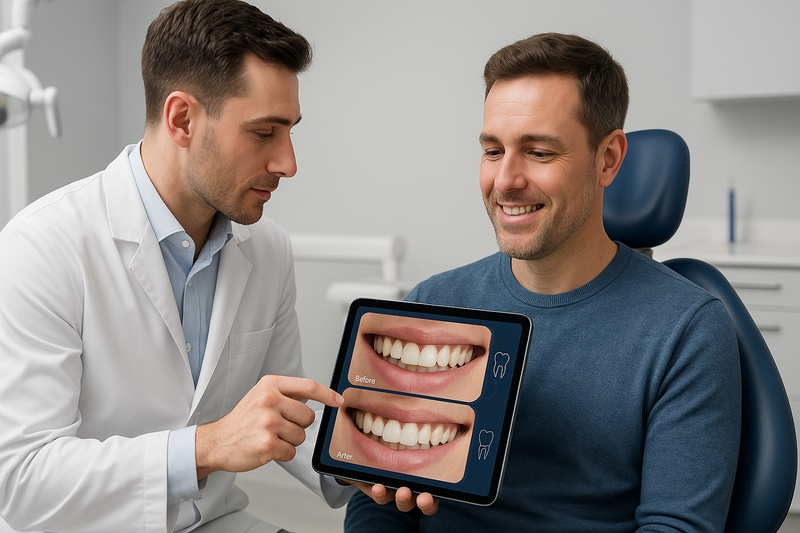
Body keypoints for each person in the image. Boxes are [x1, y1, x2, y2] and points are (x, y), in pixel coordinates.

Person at [344, 33, 742, 532]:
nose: (505, 180)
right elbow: (377, 502)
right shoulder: (432, 303)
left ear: (608, 158)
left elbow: (675, 526)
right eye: (493, 150)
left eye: (538, 152)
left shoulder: (686, 330)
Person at [0, 1, 360, 531]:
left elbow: (282, 413)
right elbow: (21, 480)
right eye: (264, 133)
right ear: (182, 120)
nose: (288, 162)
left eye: (290, 131)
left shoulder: (268, 248)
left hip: (213, 522)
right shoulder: (41, 247)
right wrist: (206, 447)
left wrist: (375, 459)